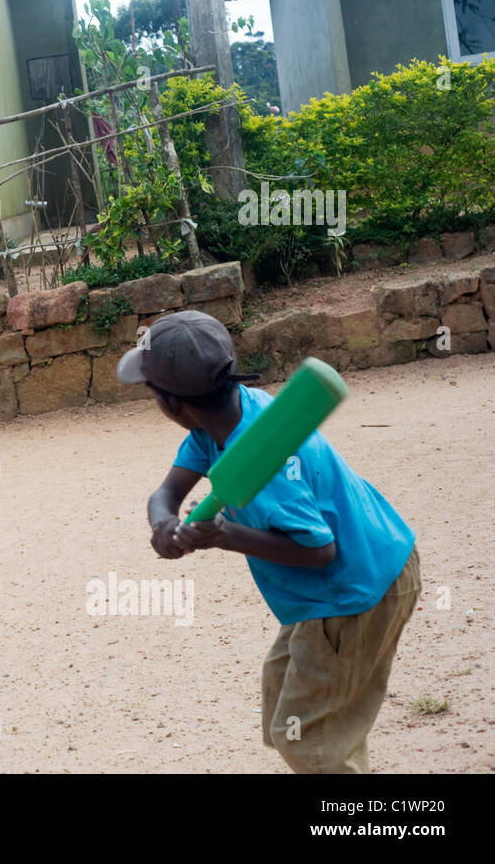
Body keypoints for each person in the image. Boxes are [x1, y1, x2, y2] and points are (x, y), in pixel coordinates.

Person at [118, 310, 420, 773]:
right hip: (340, 584)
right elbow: (167, 493)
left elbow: (320, 551)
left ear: (172, 404)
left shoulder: (271, 467)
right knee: (286, 694)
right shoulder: (226, 417)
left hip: (355, 591)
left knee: (305, 738)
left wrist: (226, 536)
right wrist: (163, 524)